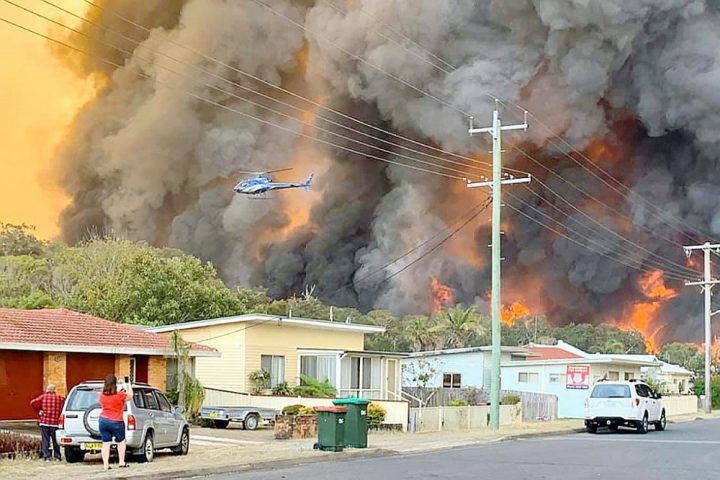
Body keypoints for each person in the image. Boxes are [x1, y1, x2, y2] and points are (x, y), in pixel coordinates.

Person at [98, 374, 133, 471]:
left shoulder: (101, 395)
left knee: (105, 443)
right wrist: (128, 384)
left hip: (103, 421)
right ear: (115, 383)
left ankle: (106, 464)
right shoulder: (120, 395)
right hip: (117, 421)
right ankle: (121, 462)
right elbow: (130, 396)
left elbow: (109, 396)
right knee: (121, 442)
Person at [30, 384, 65, 461]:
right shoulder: (60, 398)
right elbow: (63, 407)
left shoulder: (43, 397)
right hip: (55, 423)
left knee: (45, 440)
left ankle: (47, 456)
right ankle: (57, 456)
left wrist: (39, 411)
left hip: (44, 422)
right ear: (54, 390)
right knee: (55, 440)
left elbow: (33, 402)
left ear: (47, 390)